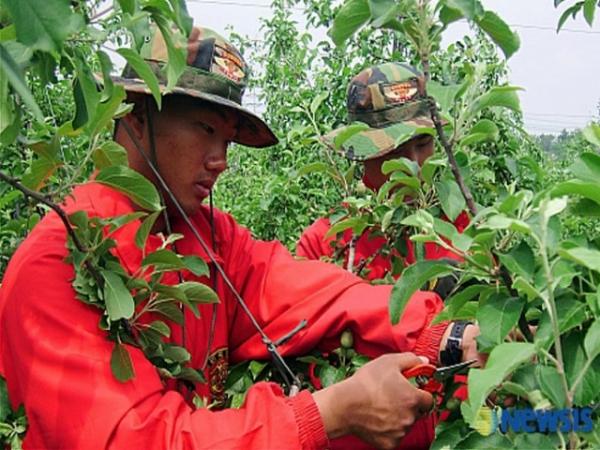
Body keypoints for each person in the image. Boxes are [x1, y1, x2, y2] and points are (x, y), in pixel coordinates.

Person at [0, 27, 480, 450]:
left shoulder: (204, 237)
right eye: (205, 129)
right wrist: (326, 412)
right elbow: (130, 438)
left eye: (227, 140)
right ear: (137, 113)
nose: (220, 160)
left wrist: (443, 334)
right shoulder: (64, 261)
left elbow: (310, 292)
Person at [297, 63, 470, 283]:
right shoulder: (326, 241)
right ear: (363, 153)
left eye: (423, 144)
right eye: (393, 152)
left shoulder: (462, 228)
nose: (413, 164)